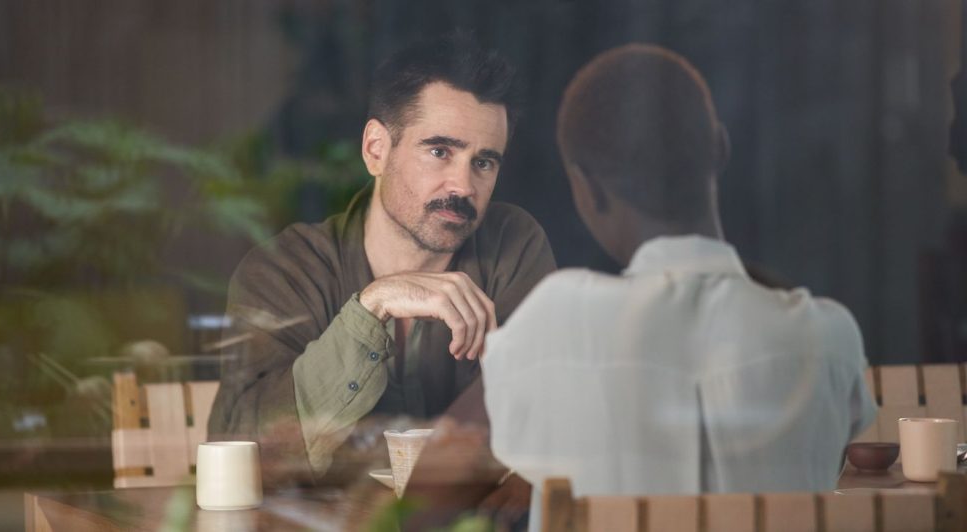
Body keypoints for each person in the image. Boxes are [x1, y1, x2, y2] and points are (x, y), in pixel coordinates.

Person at [482, 44, 877, 529]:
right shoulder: (828, 340)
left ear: (585, 187)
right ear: (721, 149)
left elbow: (500, 436)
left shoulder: (550, 325)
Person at [207, 32, 556, 485]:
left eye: (484, 162)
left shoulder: (512, 246)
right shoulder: (284, 269)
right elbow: (244, 450)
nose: (463, 186)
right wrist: (371, 307)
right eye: (439, 151)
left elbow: (541, 423)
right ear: (375, 149)